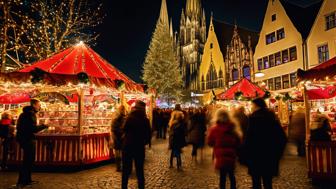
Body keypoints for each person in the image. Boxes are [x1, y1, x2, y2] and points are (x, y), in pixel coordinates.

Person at [244, 98, 287, 189]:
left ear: (256, 106)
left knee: (256, 182)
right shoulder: (272, 118)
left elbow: (248, 139)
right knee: (268, 182)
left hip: (255, 155)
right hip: (269, 155)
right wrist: (277, 153)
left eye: (252, 105)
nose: (251, 107)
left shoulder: (252, 119)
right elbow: (282, 137)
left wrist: (246, 153)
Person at [16, 99, 48, 187]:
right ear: (34, 105)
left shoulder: (24, 113)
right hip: (28, 139)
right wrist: (44, 125)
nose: (39, 107)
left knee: (28, 160)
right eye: (38, 105)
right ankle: (22, 181)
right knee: (28, 160)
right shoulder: (31, 114)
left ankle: (27, 180)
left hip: (23, 138)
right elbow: (33, 128)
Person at [207, 109, 241, 189]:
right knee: (232, 175)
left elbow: (210, 142)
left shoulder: (214, 129)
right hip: (231, 155)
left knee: (222, 177)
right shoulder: (233, 127)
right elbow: (239, 141)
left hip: (220, 156)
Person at [121, 100, 151, 189]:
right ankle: (141, 187)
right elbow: (148, 135)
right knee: (139, 170)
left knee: (126, 170)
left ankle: (124, 187)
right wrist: (143, 142)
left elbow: (124, 129)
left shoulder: (129, 117)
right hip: (139, 147)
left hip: (128, 146)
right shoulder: (145, 120)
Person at [111, 105, 126, 172]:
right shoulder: (124, 118)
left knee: (118, 152)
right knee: (121, 152)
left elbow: (112, 129)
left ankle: (118, 166)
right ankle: (120, 166)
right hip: (120, 137)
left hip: (117, 137)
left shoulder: (115, 119)